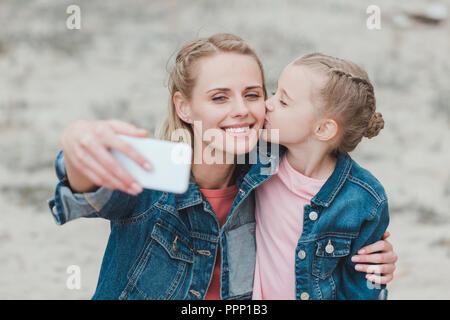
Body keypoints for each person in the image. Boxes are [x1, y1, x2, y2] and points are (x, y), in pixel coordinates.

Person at [48, 34, 397, 300]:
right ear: (184, 107)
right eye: (219, 97)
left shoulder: (268, 171)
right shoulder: (157, 172)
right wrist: (77, 142)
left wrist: (370, 259)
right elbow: (84, 184)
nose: (241, 110)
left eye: (253, 94)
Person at [253, 53, 393, 299]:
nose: (268, 103)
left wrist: (379, 268)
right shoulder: (258, 160)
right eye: (274, 92)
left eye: (283, 101)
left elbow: (363, 284)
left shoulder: (364, 200)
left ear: (323, 129)